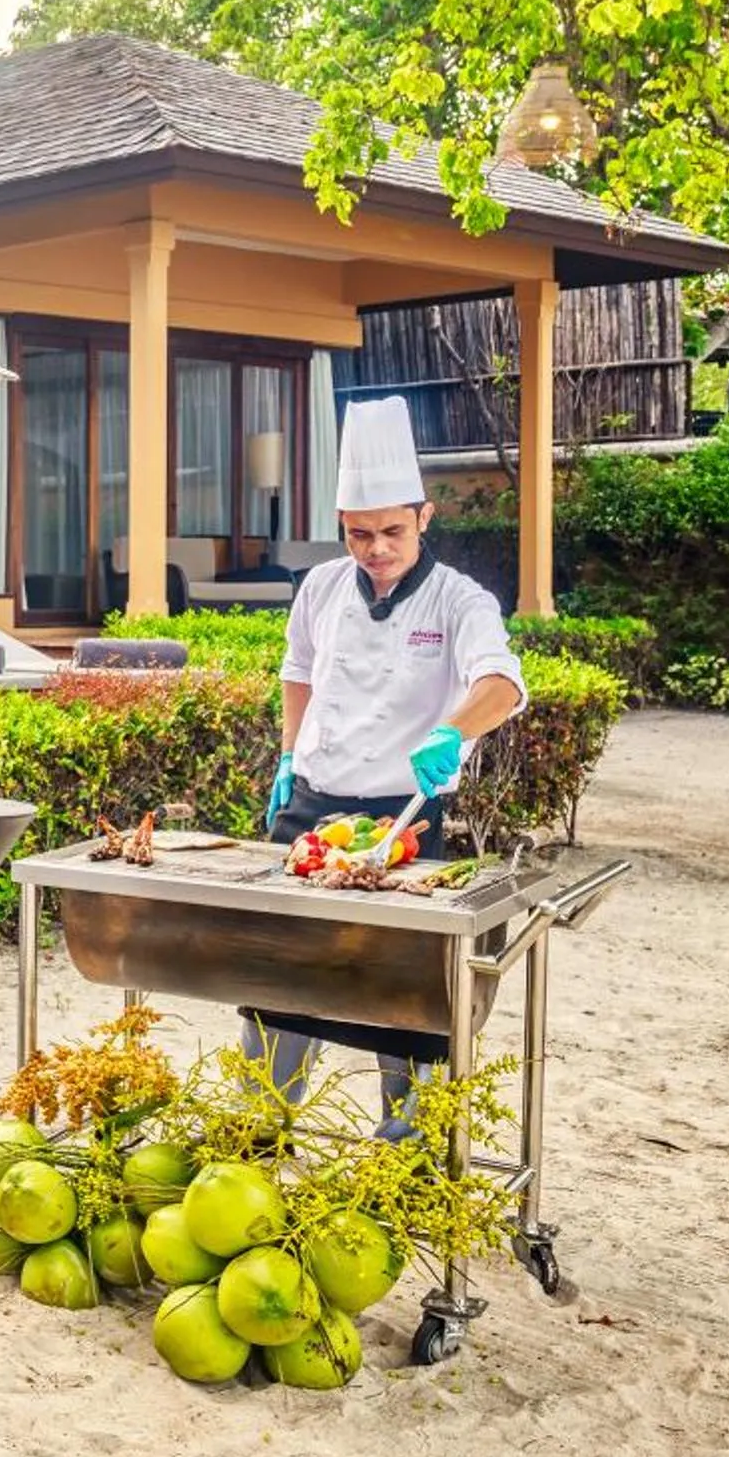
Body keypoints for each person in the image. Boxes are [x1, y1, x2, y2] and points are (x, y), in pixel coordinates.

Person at [248, 396, 526, 1135]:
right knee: (277, 973)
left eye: (391, 531)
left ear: (424, 517)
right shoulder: (320, 587)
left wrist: (451, 734)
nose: (374, 549)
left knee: (401, 994)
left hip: (399, 821)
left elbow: (499, 684)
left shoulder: (460, 600)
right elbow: (298, 668)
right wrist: (287, 751)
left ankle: (402, 1143)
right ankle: (263, 1125)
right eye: (357, 534)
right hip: (308, 807)